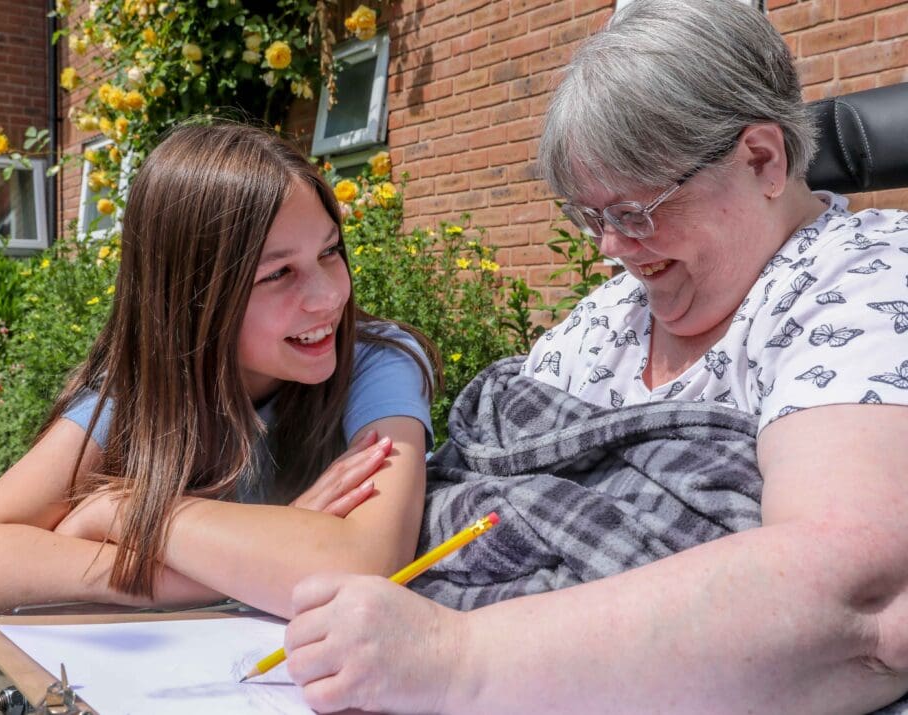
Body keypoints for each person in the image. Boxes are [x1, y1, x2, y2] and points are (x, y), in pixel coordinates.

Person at [281, 0, 908, 712]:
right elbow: (477, 481)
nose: (610, 248)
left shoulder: (867, 283)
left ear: (762, 160)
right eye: (591, 216)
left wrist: (457, 656)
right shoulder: (609, 318)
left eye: (636, 212)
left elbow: (859, 596)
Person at [0, 121, 440, 632]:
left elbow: (364, 564)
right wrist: (247, 562)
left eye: (329, 251)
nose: (327, 297)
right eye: (278, 273)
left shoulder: (376, 363)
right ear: (191, 298)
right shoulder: (136, 399)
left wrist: (125, 512)